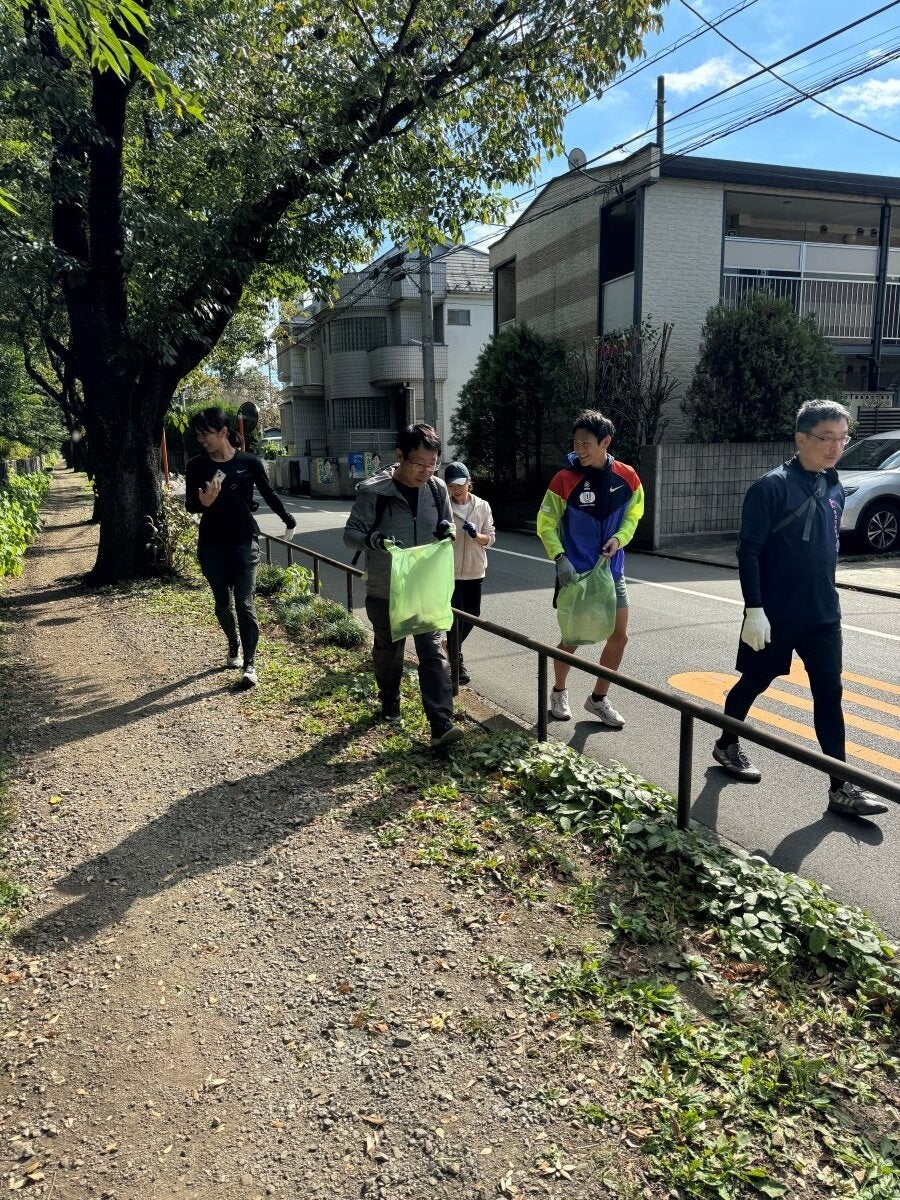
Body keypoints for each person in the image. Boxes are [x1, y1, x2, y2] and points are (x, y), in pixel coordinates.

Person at [711, 399, 888, 818]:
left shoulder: (833, 482)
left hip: (822, 613)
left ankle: (841, 787)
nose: (835, 447)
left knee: (829, 693)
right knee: (756, 679)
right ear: (801, 438)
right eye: (826, 438)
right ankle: (726, 743)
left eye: (842, 438)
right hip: (774, 614)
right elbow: (748, 550)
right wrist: (754, 609)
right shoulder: (771, 487)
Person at [344, 424, 464, 748]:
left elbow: (449, 526)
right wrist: (372, 539)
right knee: (389, 652)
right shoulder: (374, 491)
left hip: (424, 589)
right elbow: (350, 534)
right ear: (400, 456)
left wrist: (447, 530)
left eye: (432, 464)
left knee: (433, 652)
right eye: (419, 464)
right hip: (386, 589)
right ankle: (389, 701)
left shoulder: (437, 489)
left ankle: (441, 724)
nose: (426, 471)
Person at [537, 410, 644, 726]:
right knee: (573, 637)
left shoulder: (627, 477)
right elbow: (545, 523)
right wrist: (560, 558)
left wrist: (619, 538)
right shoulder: (564, 479)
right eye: (576, 443)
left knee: (619, 636)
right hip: (576, 573)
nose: (579, 449)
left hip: (612, 571)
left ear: (605, 442)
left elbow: (634, 515)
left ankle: (598, 699)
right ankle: (559, 691)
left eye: (586, 443)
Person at [185, 407, 297, 689]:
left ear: (223, 432)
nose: (202, 440)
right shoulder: (196, 466)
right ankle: (233, 642)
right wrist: (204, 503)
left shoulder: (249, 462)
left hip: (244, 540)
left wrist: (288, 520)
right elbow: (190, 505)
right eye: (198, 435)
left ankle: (250, 664)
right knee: (223, 603)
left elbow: (269, 493)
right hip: (211, 544)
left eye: (206, 434)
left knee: (244, 604)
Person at [443, 462, 496, 685]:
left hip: (475, 569)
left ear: (468, 482)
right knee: (455, 618)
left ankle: (451, 646)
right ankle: (457, 664)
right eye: (451, 486)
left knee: (473, 614)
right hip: (451, 571)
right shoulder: (444, 506)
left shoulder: (482, 506)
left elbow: (490, 538)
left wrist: (476, 536)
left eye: (459, 484)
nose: (456, 490)